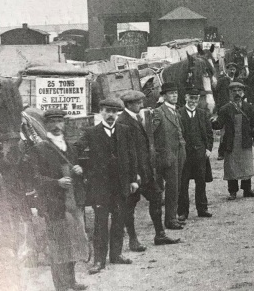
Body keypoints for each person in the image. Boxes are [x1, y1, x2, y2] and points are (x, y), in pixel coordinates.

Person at [75, 97, 138, 275]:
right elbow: (75, 150)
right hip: (100, 187)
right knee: (101, 223)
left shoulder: (125, 131)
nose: (111, 115)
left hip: (121, 185)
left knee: (119, 220)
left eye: (114, 112)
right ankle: (99, 260)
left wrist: (133, 179)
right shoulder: (91, 133)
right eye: (107, 111)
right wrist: (82, 168)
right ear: (101, 112)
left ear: (118, 113)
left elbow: (132, 156)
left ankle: (116, 255)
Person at [30, 109, 89, 290]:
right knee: (58, 247)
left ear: (64, 124)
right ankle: (60, 286)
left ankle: (71, 281)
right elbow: (35, 179)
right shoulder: (39, 149)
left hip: (73, 203)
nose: (57, 126)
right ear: (46, 125)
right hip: (55, 206)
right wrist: (57, 182)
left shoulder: (69, 148)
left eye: (60, 122)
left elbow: (77, 173)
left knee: (74, 242)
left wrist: (79, 170)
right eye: (52, 123)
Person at [118, 90, 179, 249]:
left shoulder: (138, 118)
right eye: (138, 103)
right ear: (129, 104)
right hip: (134, 174)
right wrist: (133, 175)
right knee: (130, 206)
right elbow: (125, 152)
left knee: (157, 197)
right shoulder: (123, 121)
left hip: (146, 171)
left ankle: (160, 235)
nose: (141, 105)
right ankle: (133, 240)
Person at [215, 82, 254, 200]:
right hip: (231, 142)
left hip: (245, 140)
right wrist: (209, 121)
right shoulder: (225, 109)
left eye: (239, 91)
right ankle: (232, 191)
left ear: (243, 93)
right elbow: (219, 124)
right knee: (231, 166)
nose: (237, 94)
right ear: (230, 94)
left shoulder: (248, 107)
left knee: (246, 165)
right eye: (234, 91)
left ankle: (247, 189)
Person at [152, 82, 186, 230]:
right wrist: (158, 151)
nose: (174, 96)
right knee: (171, 187)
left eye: (176, 93)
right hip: (167, 155)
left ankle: (172, 217)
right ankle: (170, 220)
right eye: (171, 94)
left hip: (179, 153)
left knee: (176, 186)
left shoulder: (176, 111)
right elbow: (151, 133)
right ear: (164, 96)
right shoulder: (159, 112)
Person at [178, 87, 214, 220]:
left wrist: (208, 149)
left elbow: (209, 134)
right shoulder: (179, 113)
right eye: (191, 98)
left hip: (200, 154)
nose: (193, 101)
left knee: (201, 182)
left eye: (196, 99)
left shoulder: (203, 114)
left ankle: (202, 208)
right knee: (183, 183)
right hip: (185, 154)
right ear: (186, 98)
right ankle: (182, 212)